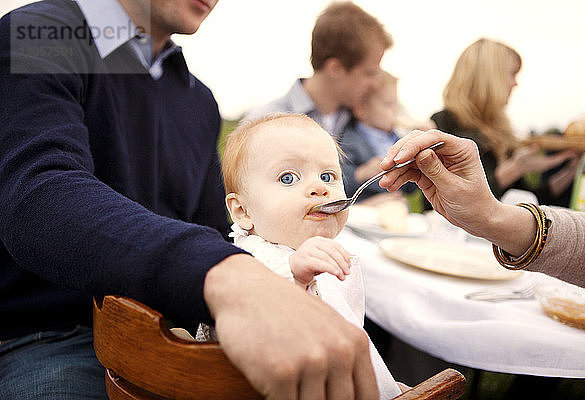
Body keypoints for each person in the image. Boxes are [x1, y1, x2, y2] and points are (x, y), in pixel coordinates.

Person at [0, 1, 379, 399]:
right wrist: (229, 277)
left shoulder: (198, 100)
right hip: (48, 336)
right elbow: (38, 195)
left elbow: (215, 226)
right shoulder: (40, 34)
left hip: (172, 332)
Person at [198, 113, 404, 399]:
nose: (319, 188)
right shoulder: (245, 256)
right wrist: (295, 274)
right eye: (288, 178)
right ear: (242, 212)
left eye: (328, 176)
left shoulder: (331, 252)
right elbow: (254, 301)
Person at [378, 129, 585, 292]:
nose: (515, 83)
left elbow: (536, 193)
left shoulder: (506, 136)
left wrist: (491, 215)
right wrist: (491, 215)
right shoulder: (455, 124)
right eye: (511, 74)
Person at [430, 38, 578, 206]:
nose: (515, 83)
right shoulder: (442, 124)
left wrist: (572, 169)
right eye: (512, 74)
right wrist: (515, 168)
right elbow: (446, 201)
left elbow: (529, 199)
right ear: (491, 77)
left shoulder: (501, 130)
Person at [244, 1, 393, 138]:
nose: (376, 84)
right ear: (335, 68)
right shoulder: (263, 124)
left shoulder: (364, 117)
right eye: (369, 73)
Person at [340, 70, 422, 203]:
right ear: (361, 109)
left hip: (397, 209)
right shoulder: (349, 141)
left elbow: (410, 188)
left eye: (396, 104)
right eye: (388, 104)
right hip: (364, 211)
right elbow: (340, 183)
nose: (395, 110)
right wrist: (360, 174)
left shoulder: (397, 139)